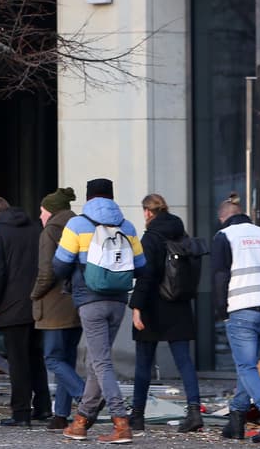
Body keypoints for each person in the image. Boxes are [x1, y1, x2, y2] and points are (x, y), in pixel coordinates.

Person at [53, 177, 146, 444]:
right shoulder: (126, 226)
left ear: (89, 197)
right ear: (112, 196)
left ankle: (120, 423)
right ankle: (81, 422)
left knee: (101, 361)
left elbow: (60, 265)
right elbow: (141, 266)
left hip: (89, 300)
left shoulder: (77, 224)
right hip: (118, 301)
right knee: (97, 360)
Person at [213, 192, 260, 443]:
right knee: (248, 367)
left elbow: (220, 276)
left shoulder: (224, 236)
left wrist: (221, 310)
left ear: (223, 217)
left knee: (246, 367)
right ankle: (236, 420)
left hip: (242, 308)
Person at [129, 193, 202, 435]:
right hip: (179, 304)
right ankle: (194, 412)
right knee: (184, 362)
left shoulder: (150, 237)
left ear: (148, 212)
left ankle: (137, 416)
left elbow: (146, 276)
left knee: (143, 363)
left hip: (152, 306)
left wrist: (136, 308)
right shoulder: (181, 233)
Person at [0, 195, 46, 427]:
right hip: (38, 305)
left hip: (11, 307)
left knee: (17, 362)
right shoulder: (36, 230)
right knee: (36, 357)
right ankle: (43, 407)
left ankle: (21, 413)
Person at [31, 187, 85, 431]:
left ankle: (85, 396)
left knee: (52, 358)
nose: (40, 216)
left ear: (51, 211)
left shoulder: (50, 231)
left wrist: (34, 295)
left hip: (53, 305)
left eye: (42, 212)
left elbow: (46, 272)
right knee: (68, 360)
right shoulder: (80, 226)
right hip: (77, 301)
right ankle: (61, 415)